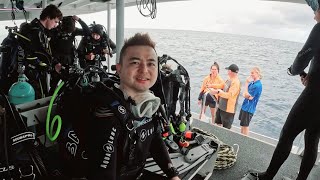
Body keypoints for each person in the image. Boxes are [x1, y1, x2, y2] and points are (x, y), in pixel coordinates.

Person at [59, 33, 180, 180]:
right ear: (119, 69)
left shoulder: (148, 104)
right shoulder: (107, 114)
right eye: (135, 63)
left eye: (151, 63)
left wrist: (172, 174)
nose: (144, 70)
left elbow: (153, 137)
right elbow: (104, 174)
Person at [242, 1, 320, 179]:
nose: (314, 14)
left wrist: (293, 71)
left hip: (314, 97)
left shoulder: (319, 29)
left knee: (287, 134)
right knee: (312, 139)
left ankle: (267, 176)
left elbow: (302, 56)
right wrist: (312, 77)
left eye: (315, 9)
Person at [18, 4, 62, 99]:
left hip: (30, 71)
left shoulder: (36, 28)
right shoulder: (35, 31)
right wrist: (56, 64)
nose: (55, 25)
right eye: (55, 22)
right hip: (33, 73)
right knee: (39, 97)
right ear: (48, 17)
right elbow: (41, 53)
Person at [209, 64, 240, 129]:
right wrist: (212, 86)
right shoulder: (229, 79)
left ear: (230, 71)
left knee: (226, 128)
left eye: (228, 70)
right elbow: (222, 85)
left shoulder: (236, 83)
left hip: (228, 110)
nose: (227, 71)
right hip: (221, 106)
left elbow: (229, 95)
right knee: (218, 123)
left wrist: (217, 92)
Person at [239, 67, 262, 135]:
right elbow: (245, 93)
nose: (251, 74)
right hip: (245, 106)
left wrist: (246, 83)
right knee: (242, 124)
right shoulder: (252, 83)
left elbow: (249, 97)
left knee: (245, 125)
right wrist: (245, 94)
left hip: (249, 108)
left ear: (257, 73)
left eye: (252, 73)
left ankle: (245, 140)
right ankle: (241, 137)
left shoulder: (257, 85)